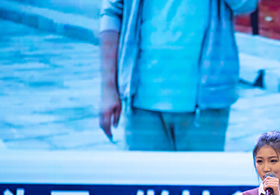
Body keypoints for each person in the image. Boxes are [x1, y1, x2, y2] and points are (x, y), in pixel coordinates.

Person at [99, 0, 258, 151]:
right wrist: (108, 89)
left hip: (206, 102)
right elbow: (111, 13)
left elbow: (246, 5)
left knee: (203, 171)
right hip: (141, 101)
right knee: (145, 171)